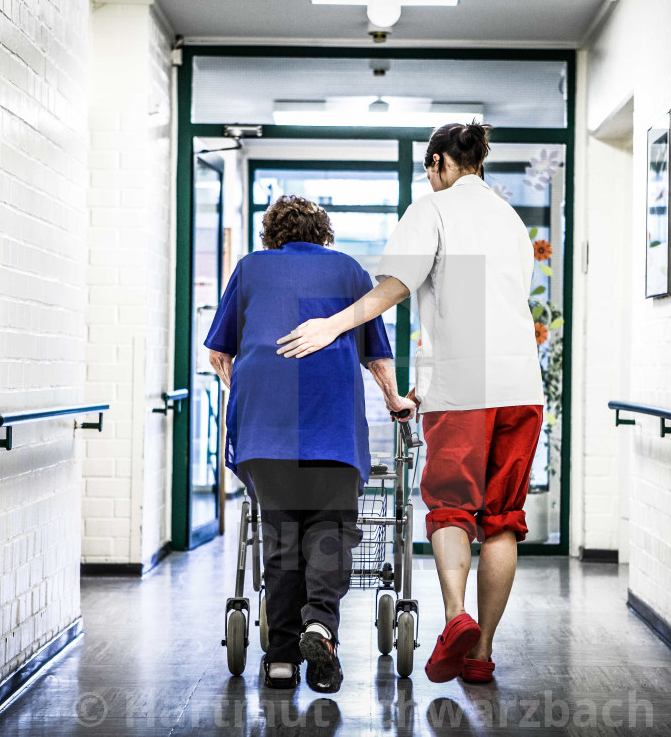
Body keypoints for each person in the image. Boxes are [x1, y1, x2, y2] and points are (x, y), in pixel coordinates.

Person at [275, 122, 544, 685]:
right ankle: (481, 653)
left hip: (462, 392)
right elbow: (490, 303)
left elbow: (393, 288)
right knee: (501, 522)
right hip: (522, 389)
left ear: (441, 163)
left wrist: (332, 325)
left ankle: (454, 619)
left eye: (429, 167)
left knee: (450, 508)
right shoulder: (511, 220)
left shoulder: (433, 208)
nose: (429, 175)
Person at [204, 195, 416, 693]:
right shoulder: (347, 269)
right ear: (324, 233)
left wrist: (254, 393)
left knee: (280, 536)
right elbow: (377, 357)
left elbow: (218, 352)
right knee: (330, 527)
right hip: (332, 423)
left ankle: (279, 661)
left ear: (271, 235)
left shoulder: (251, 268)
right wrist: (395, 401)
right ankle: (320, 625)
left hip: (264, 427)